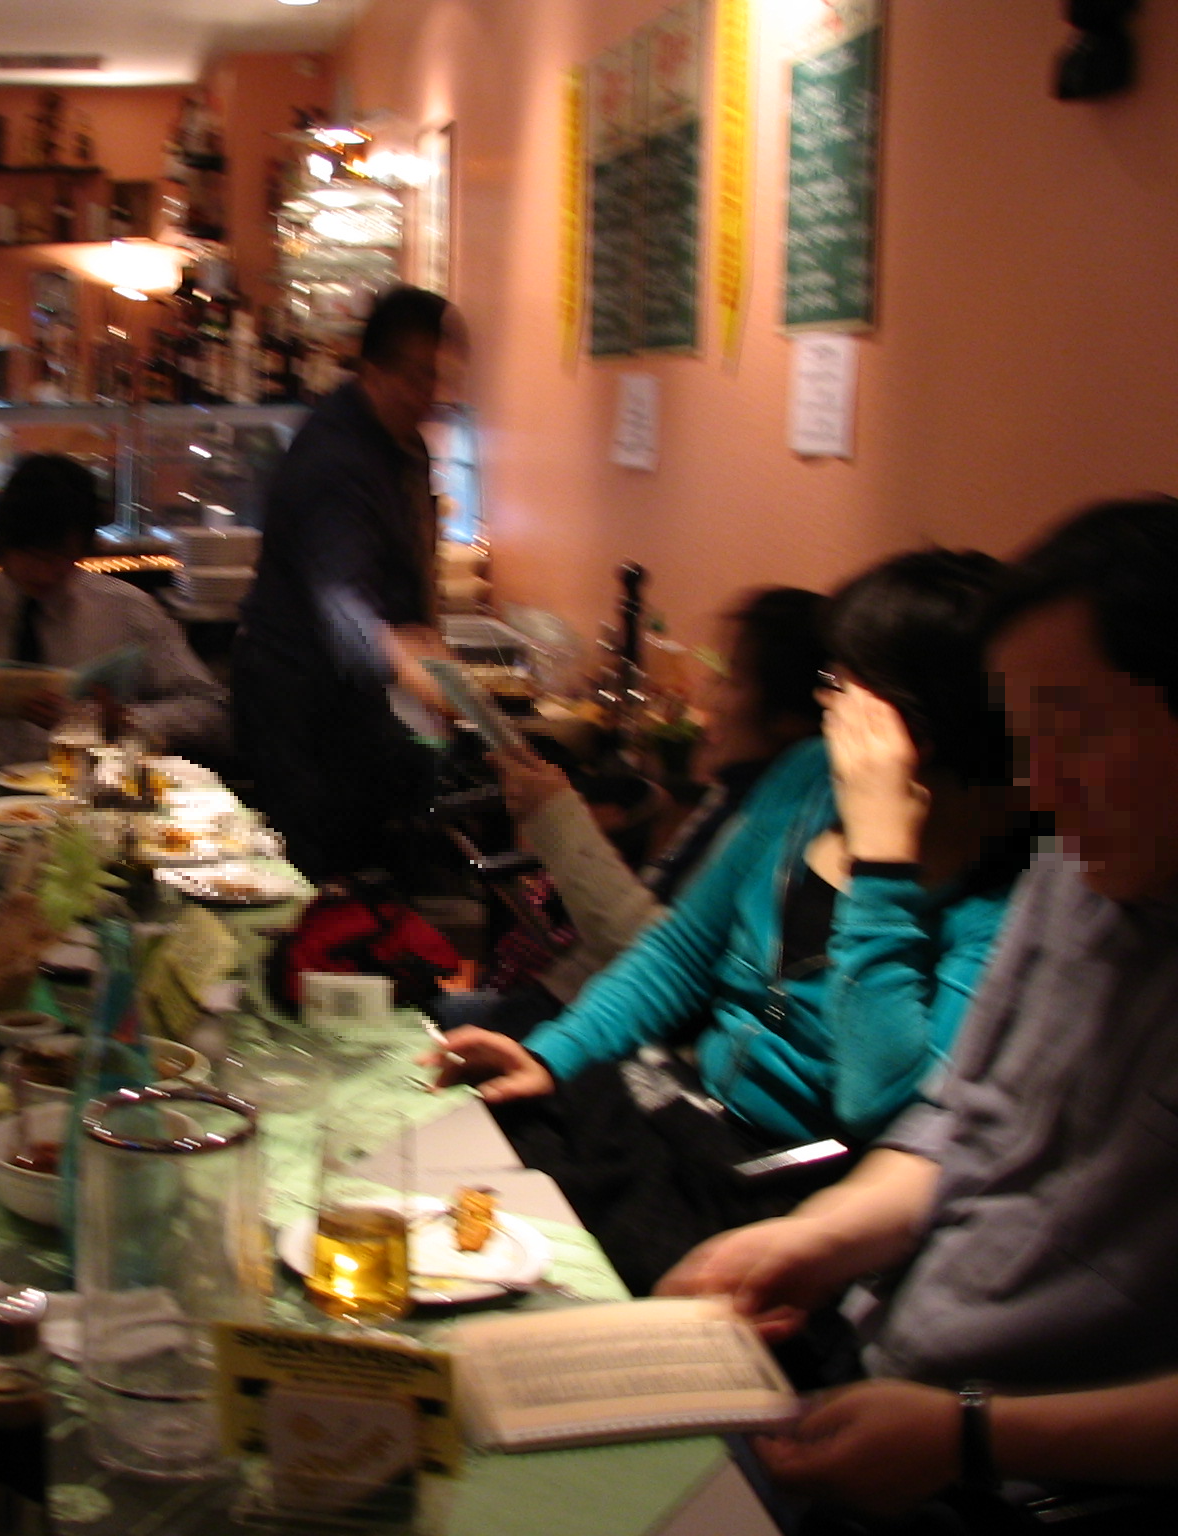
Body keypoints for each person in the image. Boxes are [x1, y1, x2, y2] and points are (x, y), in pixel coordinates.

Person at [658, 498, 1178, 1532]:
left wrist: (969, 1437)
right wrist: (813, 1241)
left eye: (1075, 730)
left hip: (1028, 1478)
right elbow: (955, 1121)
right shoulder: (1074, 871)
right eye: (1027, 742)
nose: (1041, 788)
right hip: (887, 1375)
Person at [430, 551, 1031, 1295]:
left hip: (780, 1186)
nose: (829, 702)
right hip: (675, 1113)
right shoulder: (807, 778)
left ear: (913, 725)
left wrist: (881, 863)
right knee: (446, 1169)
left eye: (842, 683)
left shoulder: (1003, 898)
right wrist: (554, 1054)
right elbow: (681, 951)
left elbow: (876, 1104)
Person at [434, 586, 829, 1037]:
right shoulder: (739, 794)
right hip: (568, 1002)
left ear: (791, 719)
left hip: (595, 1030)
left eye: (732, 680)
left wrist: (556, 818)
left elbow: (667, 963)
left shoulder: (784, 834)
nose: (709, 700)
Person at [233, 285, 459, 880]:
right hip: (299, 707)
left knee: (365, 868)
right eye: (418, 376)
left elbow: (411, 565)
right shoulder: (337, 460)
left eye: (439, 377)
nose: (430, 395)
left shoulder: (403, 445)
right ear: (373, 370)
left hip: (351, 701)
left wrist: (427, 644)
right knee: (313, 878)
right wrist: (418, 671)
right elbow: (343, 608)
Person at [0, 453, 227, 767]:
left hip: (91, 792)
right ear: (2, 543)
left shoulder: (127, 610)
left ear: (84, 549)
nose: (45, 573)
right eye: (32, 555)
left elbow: (211, 711)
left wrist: (121, 720)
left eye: (62, 557)